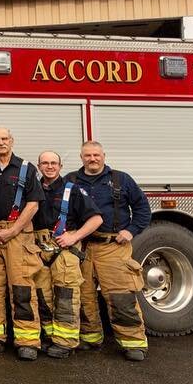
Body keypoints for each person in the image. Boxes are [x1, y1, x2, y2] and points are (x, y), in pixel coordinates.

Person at [70, 141, 153, 360]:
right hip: (83, 247)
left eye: (96, 155)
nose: (92, 159)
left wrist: (131, 231)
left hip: (114, 247)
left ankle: (133, 342)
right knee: (84, 296)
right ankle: (90, 337)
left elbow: (143, 209)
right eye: (88, 155)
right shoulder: (71, 180)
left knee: (121, 297)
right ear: (81, 157)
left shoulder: (120, 179)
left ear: (104, 155)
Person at [0, 127, 45, 360]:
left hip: (17, 234)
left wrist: (13, 231)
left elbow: (33, 204)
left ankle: (27, 339)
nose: (0, 143)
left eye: (4, 139)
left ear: (12, 141)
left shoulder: (26, 169)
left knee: (21, 287)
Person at [33, 151, 103, 358]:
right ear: (39, 166)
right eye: (45, 163)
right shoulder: (34, 189)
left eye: (54, 163)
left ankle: (66, 342)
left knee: (66, 296)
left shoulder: (72, 190)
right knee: (43, 296)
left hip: (65, 251)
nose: (49, 166)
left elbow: (96, 219)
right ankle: (50, 337)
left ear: (60, 166)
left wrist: (75, 237)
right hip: (40, 251)